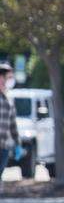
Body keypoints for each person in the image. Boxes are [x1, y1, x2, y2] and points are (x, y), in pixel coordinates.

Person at [0, 62, 19, 193]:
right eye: (8, 77)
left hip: (4, 146)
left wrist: (18, 144)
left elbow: (12, 124)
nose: (10, 80)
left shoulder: (8, 99)